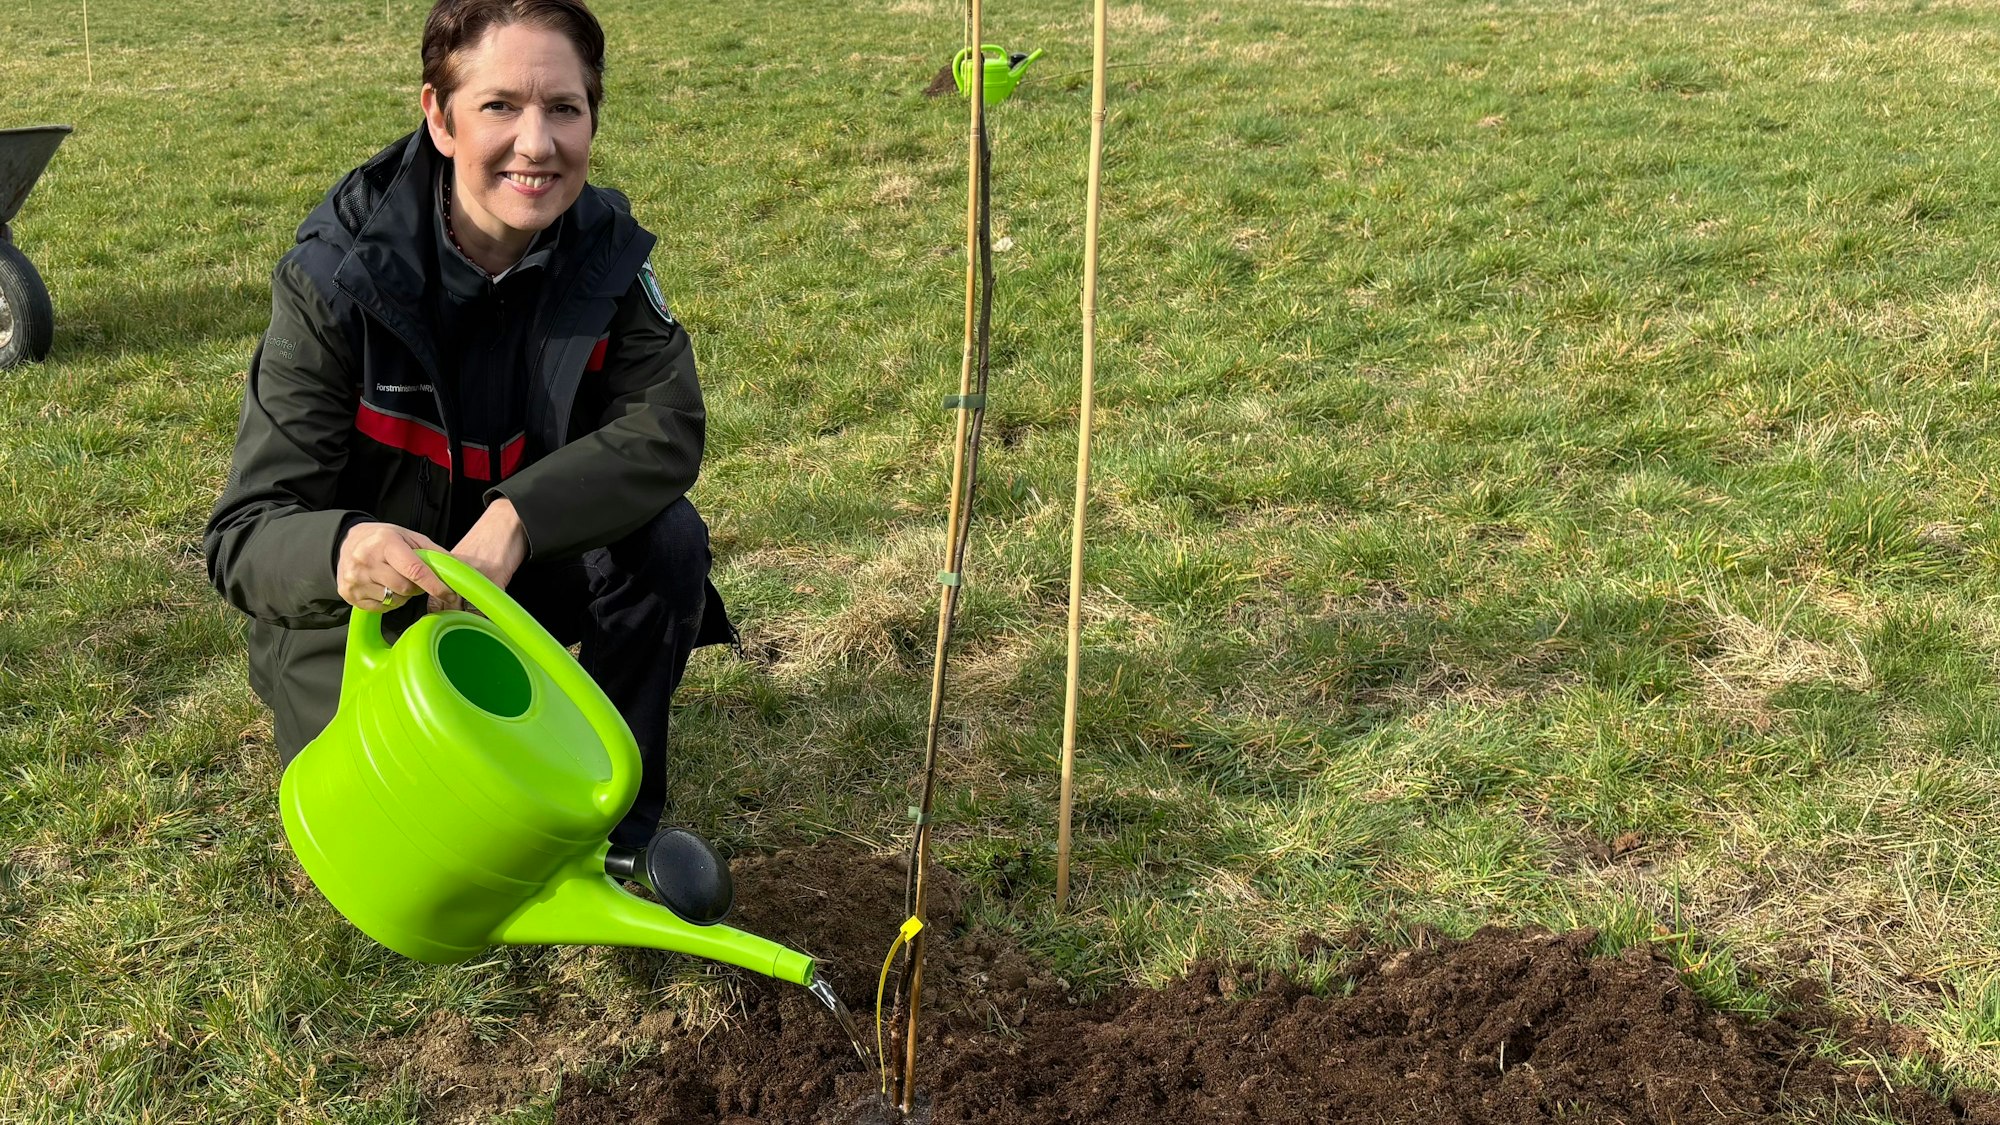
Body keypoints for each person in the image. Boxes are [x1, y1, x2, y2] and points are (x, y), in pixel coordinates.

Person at [204, 0, 730, 849]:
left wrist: (519, 517)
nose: (537, 143)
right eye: (500, 106)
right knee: (411, 850)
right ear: (438, 118)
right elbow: (243, 536)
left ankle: (614, 832)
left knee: (666, 539)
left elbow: (667, 425)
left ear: (594, 116)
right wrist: (345, 549)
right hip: (371, 617)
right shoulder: (334, 281)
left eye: (564, 107)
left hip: (514, 578)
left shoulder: (609, 258)